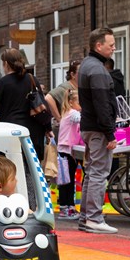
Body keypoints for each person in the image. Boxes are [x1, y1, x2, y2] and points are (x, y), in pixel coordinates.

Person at [77, 27, 119, 234]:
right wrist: (110, 133)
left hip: (90, 126)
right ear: (98, 45)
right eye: (110, 45)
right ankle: (93, 218)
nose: (114, 48)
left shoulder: (87, 65)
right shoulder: (97, 70)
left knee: (92, 172)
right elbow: (102, 103)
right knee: (99, 173)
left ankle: (86, 217)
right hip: (98, 128)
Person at [0, 48, 51, 160]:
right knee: (32, 170)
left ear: (5, 64)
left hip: (11, 131)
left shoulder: (3, 83)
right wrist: (48, 128)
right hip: (33, 132)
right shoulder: (32, 78)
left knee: (12, 168)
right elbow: (42, 105)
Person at [56, 89, 82, 220]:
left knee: (66, 180)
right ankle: (66, 208)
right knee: (67, 181)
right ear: (71, 102)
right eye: (79, 101)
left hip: (65, 150)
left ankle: (67, 206)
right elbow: (82, 119)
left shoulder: (67, 113)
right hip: (66, 151)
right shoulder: (73, 114)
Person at [45, 59, 81, 138]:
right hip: (64, 133)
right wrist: (59, 118)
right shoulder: (66, 87)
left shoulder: (80, 87)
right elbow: (48, 98)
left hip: (74, 130)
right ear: (73, 74)